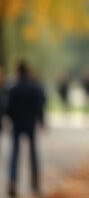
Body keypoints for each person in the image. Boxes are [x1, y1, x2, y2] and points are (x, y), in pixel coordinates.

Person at [6, 61, 44, 197]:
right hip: (30, 123)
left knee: (14, 153)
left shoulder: (11, 88)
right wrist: (40, 120)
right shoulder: (33, 87)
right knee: (33, 153)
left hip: (16, 124)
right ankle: (34, 180)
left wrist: (11, 117)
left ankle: (12, 180)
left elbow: (7, 107)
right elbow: (39, 105)